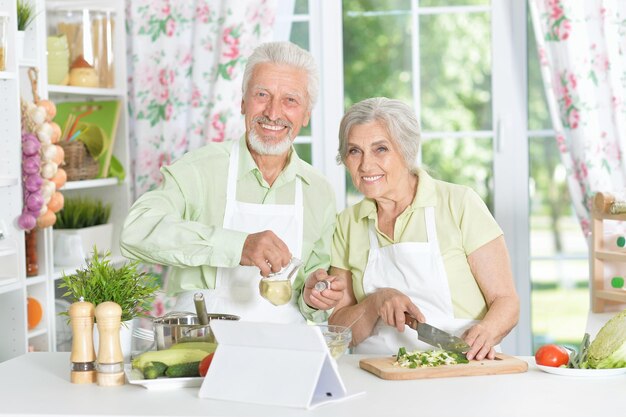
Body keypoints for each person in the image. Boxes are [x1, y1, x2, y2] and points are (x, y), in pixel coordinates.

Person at [120, 41, 344, 323]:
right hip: (202, 344)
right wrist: (238, 246)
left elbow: (312, 288)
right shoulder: (199, 169)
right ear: (243, 101)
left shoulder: (319, 191)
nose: (273, 113)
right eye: (262, 94)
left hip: (284, 349)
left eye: (290, 100)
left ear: (307, 113)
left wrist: (315, 296)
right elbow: (135, 230)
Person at [328, 97, 519, 360]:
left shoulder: (459, 203)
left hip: (459, 366)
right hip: (377, 374)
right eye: (354, 151)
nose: (365, 165)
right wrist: (375, 303)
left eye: (380, 149)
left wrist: (486, 333)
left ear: (407, 151)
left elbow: (507, 302)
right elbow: (339, 329)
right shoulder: (348, 223)